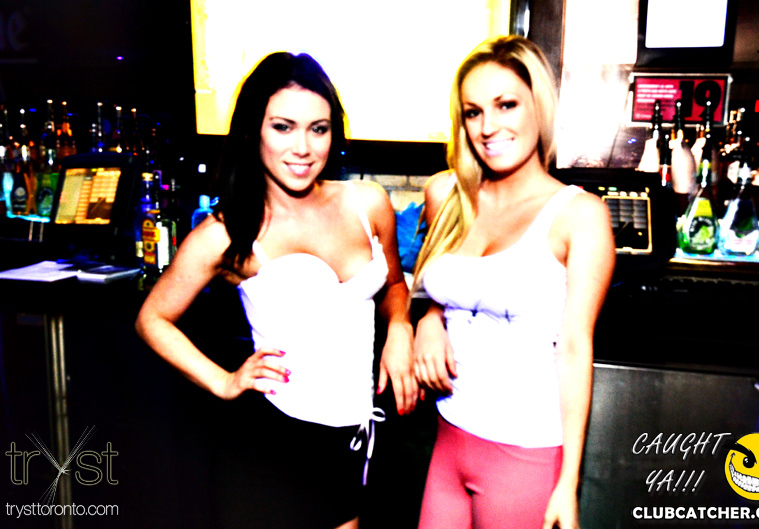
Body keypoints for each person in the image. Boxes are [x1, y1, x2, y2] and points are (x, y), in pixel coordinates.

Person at [135, 51, 416, 529]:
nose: (303, 147)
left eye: (318, 129)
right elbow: (152, 319)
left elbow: (392, 284)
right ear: (253, 131)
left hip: (351, 439)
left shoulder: (367, 203)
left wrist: (401, 327)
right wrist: (223, 382)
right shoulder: (228, 233)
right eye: (283, 127)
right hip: (270, 445)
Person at [411, 35, 615, 529]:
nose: (488, 127)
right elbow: (438, 288)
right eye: (473, 112)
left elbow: (575, 348)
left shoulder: (579, 215)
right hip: (447, 437)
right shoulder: (448, 194)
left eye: (506, 105)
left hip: (525, 455)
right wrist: (428, 320)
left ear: (537, 106)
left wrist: (567, 484)